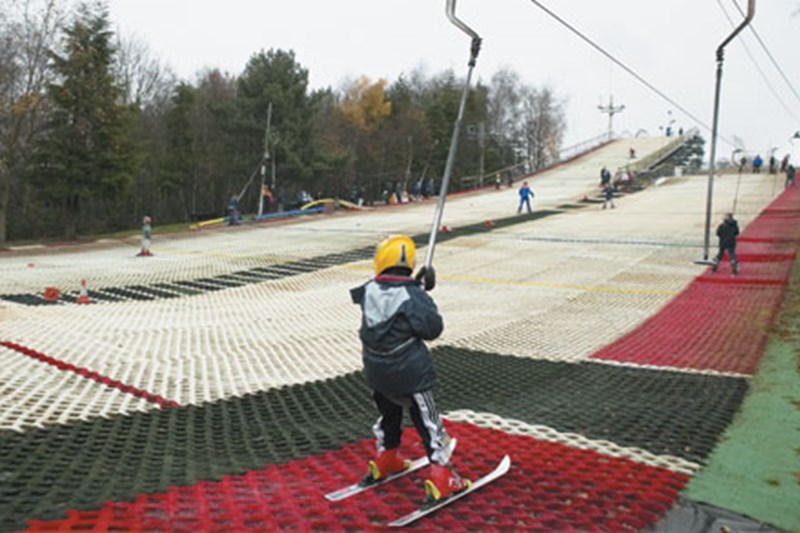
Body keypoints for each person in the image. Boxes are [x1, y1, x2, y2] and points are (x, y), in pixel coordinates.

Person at [350, 235, 469, 502]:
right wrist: (420, 291)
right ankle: (441, 475)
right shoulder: (411, 296)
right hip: (410, 375)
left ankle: (387, 457)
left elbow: (386, 295)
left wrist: (415, 284)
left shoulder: (368, 290)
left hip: (377, 373)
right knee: (428, 422)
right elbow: (431, 329)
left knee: (389, 415)